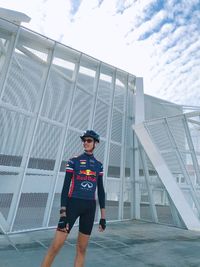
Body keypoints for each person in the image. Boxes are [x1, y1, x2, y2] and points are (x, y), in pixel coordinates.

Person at [41, 130, 106, 267]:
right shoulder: (73, 161)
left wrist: (103, 217)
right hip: (72, 205)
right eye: (84, 140)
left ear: (95, 143)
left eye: (89, 140)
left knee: (82, 249)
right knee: (56, 246)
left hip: (90, 207)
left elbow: (100, 191)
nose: (86, 143)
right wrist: (63, 213)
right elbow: (65, 188)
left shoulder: (99, 165)